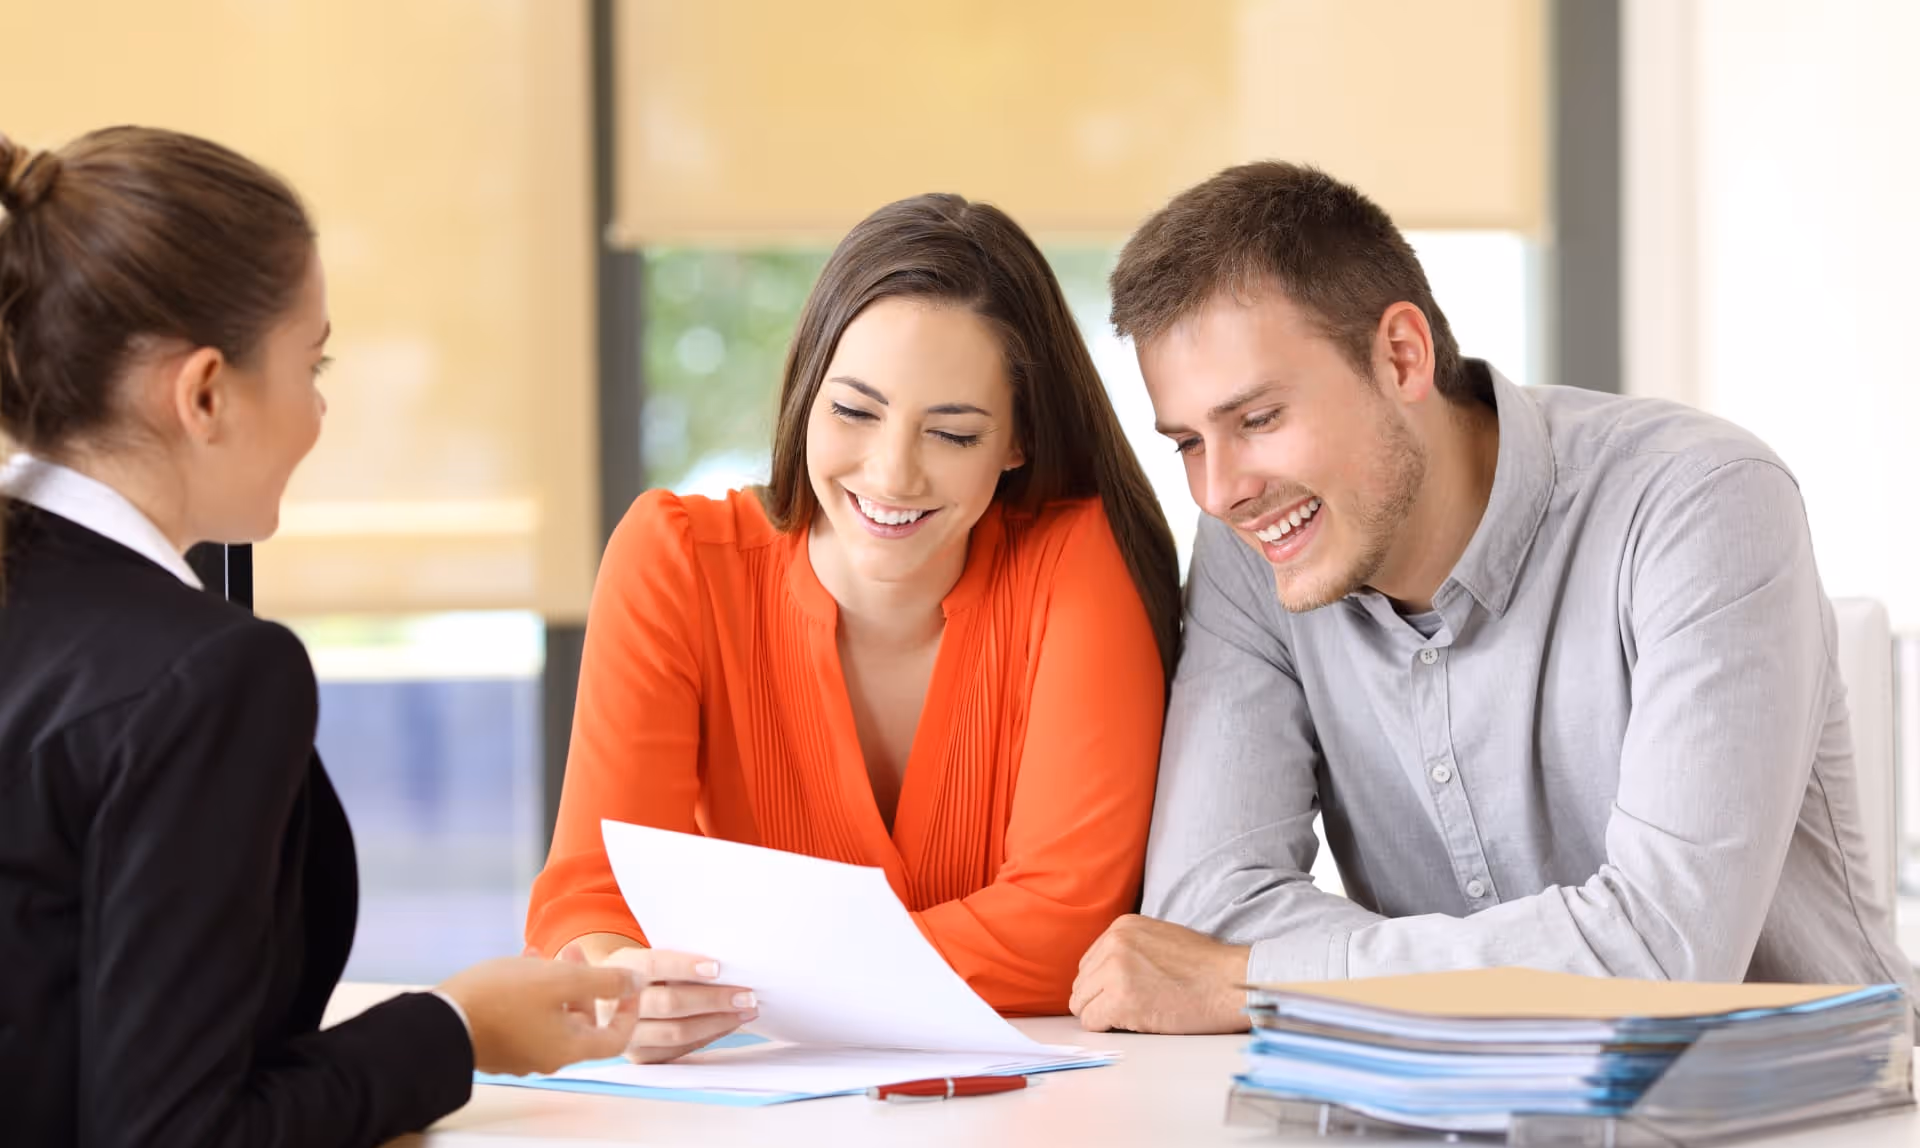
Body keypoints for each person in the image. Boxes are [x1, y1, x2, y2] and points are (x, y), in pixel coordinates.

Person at [0, 126, 644, 1148]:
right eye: (314, 364)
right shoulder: (206, 676)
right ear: (205, 391)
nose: (318, 411)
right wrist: (458, 1025)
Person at [1069, 161, 1916, 1033]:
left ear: (1401, 356)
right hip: (1449, 1108)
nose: (1220, 492)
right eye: (1188, 443)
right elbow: (1205, 916)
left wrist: (1252, 982)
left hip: (1794, 1104)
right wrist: (1345, 976)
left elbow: (1661, 958)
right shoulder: (1253, 552)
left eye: (1257, 420)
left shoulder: (1700, 501)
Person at [525, 194, 1180, 1056]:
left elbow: (1066, 926)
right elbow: (593, 891)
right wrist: (623, 990)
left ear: (1016, 441)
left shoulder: (1075, 564)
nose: (892, 474)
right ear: (807, 394)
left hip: (1022, 1110)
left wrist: (744, 986)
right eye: (855, 412)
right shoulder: (674, 560)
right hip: (750, 1108)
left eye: (952, 433)